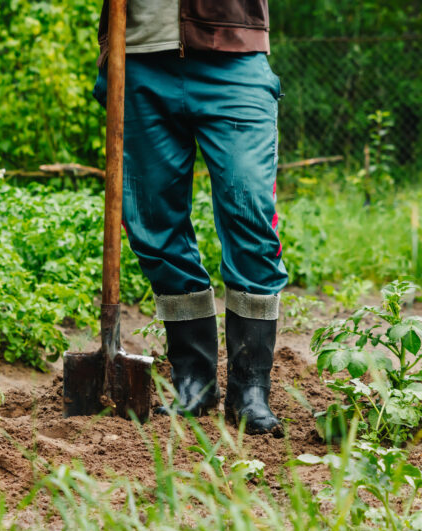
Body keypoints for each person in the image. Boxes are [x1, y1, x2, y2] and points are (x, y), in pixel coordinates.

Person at [92, 0, 288, 436]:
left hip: (232, 53)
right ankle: (193, 382)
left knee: (251, 213)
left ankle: (250, 389)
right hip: (136, 56)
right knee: (152, 225)